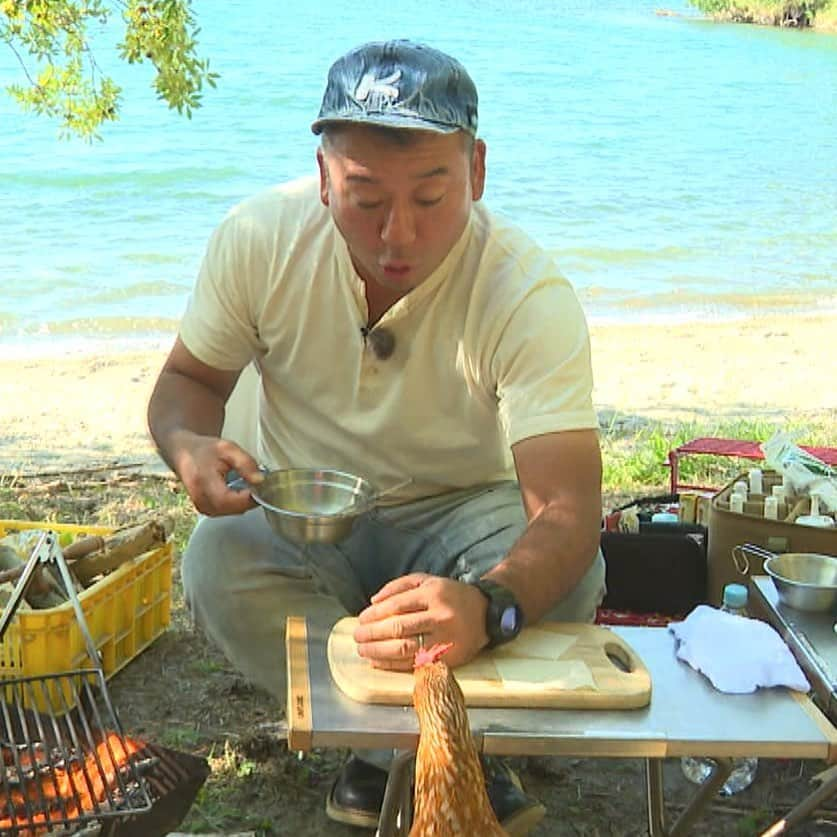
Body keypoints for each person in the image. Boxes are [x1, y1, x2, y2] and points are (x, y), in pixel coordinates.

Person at [147, 39, 606, 836]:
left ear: (478, 172)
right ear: (324, 180)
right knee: (217, 560)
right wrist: (187, 444)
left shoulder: (525, 290)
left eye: (431, 198)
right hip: (309, 513)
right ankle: (392, 739)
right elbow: (187, 385)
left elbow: (566, 507)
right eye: (365, 198)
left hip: (466, 517)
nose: (398, 235)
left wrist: (491, 602)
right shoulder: (258, 238)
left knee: (570, 575)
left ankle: (437, 736)